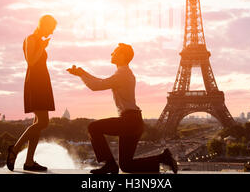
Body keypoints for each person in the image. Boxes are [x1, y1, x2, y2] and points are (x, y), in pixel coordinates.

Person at [67, 43, 178, 174]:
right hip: (133, 121)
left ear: (123, 56)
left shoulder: (122, 74)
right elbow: (100, 82)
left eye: (115, 52)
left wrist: (81, 74)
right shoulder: (124, 73)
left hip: (129, 120)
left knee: (93, 127)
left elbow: (96, 85)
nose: (111, 54)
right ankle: (162, 158)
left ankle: (109, 165)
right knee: (126, 166)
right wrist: (82, 73)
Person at [6, 15, 57, 172]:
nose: (52, 32)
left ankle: (29, 162)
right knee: (43, 122)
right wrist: (42, 46)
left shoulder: (38, 40)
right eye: (51, 28)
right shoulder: (31, 38)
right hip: (35, 83)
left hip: (42, 82)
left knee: (38, 123)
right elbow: (31, 61)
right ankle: (14, 149)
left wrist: (42, 46)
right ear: (43, 25)